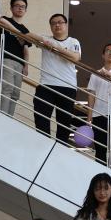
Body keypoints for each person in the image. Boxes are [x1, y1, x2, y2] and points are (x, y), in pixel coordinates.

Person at [27, 13, 81, 142]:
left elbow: (75, 57)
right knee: (41, 120)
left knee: (64, 124)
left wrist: (55, 47)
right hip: (46, 85)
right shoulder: (46, 39)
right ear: (50, 26)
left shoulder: (73, 41)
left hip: (67, 87)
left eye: (60, 22)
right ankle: (44, 147)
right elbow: (28, 35)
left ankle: (59, 149)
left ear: (66, 25)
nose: (57, 25)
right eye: (53, 23)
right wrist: (45, 42)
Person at [0, 0, 31, 116]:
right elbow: (0, 20)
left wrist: (26, 66)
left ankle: (9, 118)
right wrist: (18, 34)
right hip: (7, 58)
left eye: (23, 7)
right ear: (11, 8)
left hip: (20, 63)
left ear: (25, 10)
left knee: (16, 93)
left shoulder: (26, 30)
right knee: (7, 88)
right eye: (17, 6)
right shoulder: (6, 20)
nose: (20, 8)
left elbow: (26, 49)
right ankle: (2, 116)